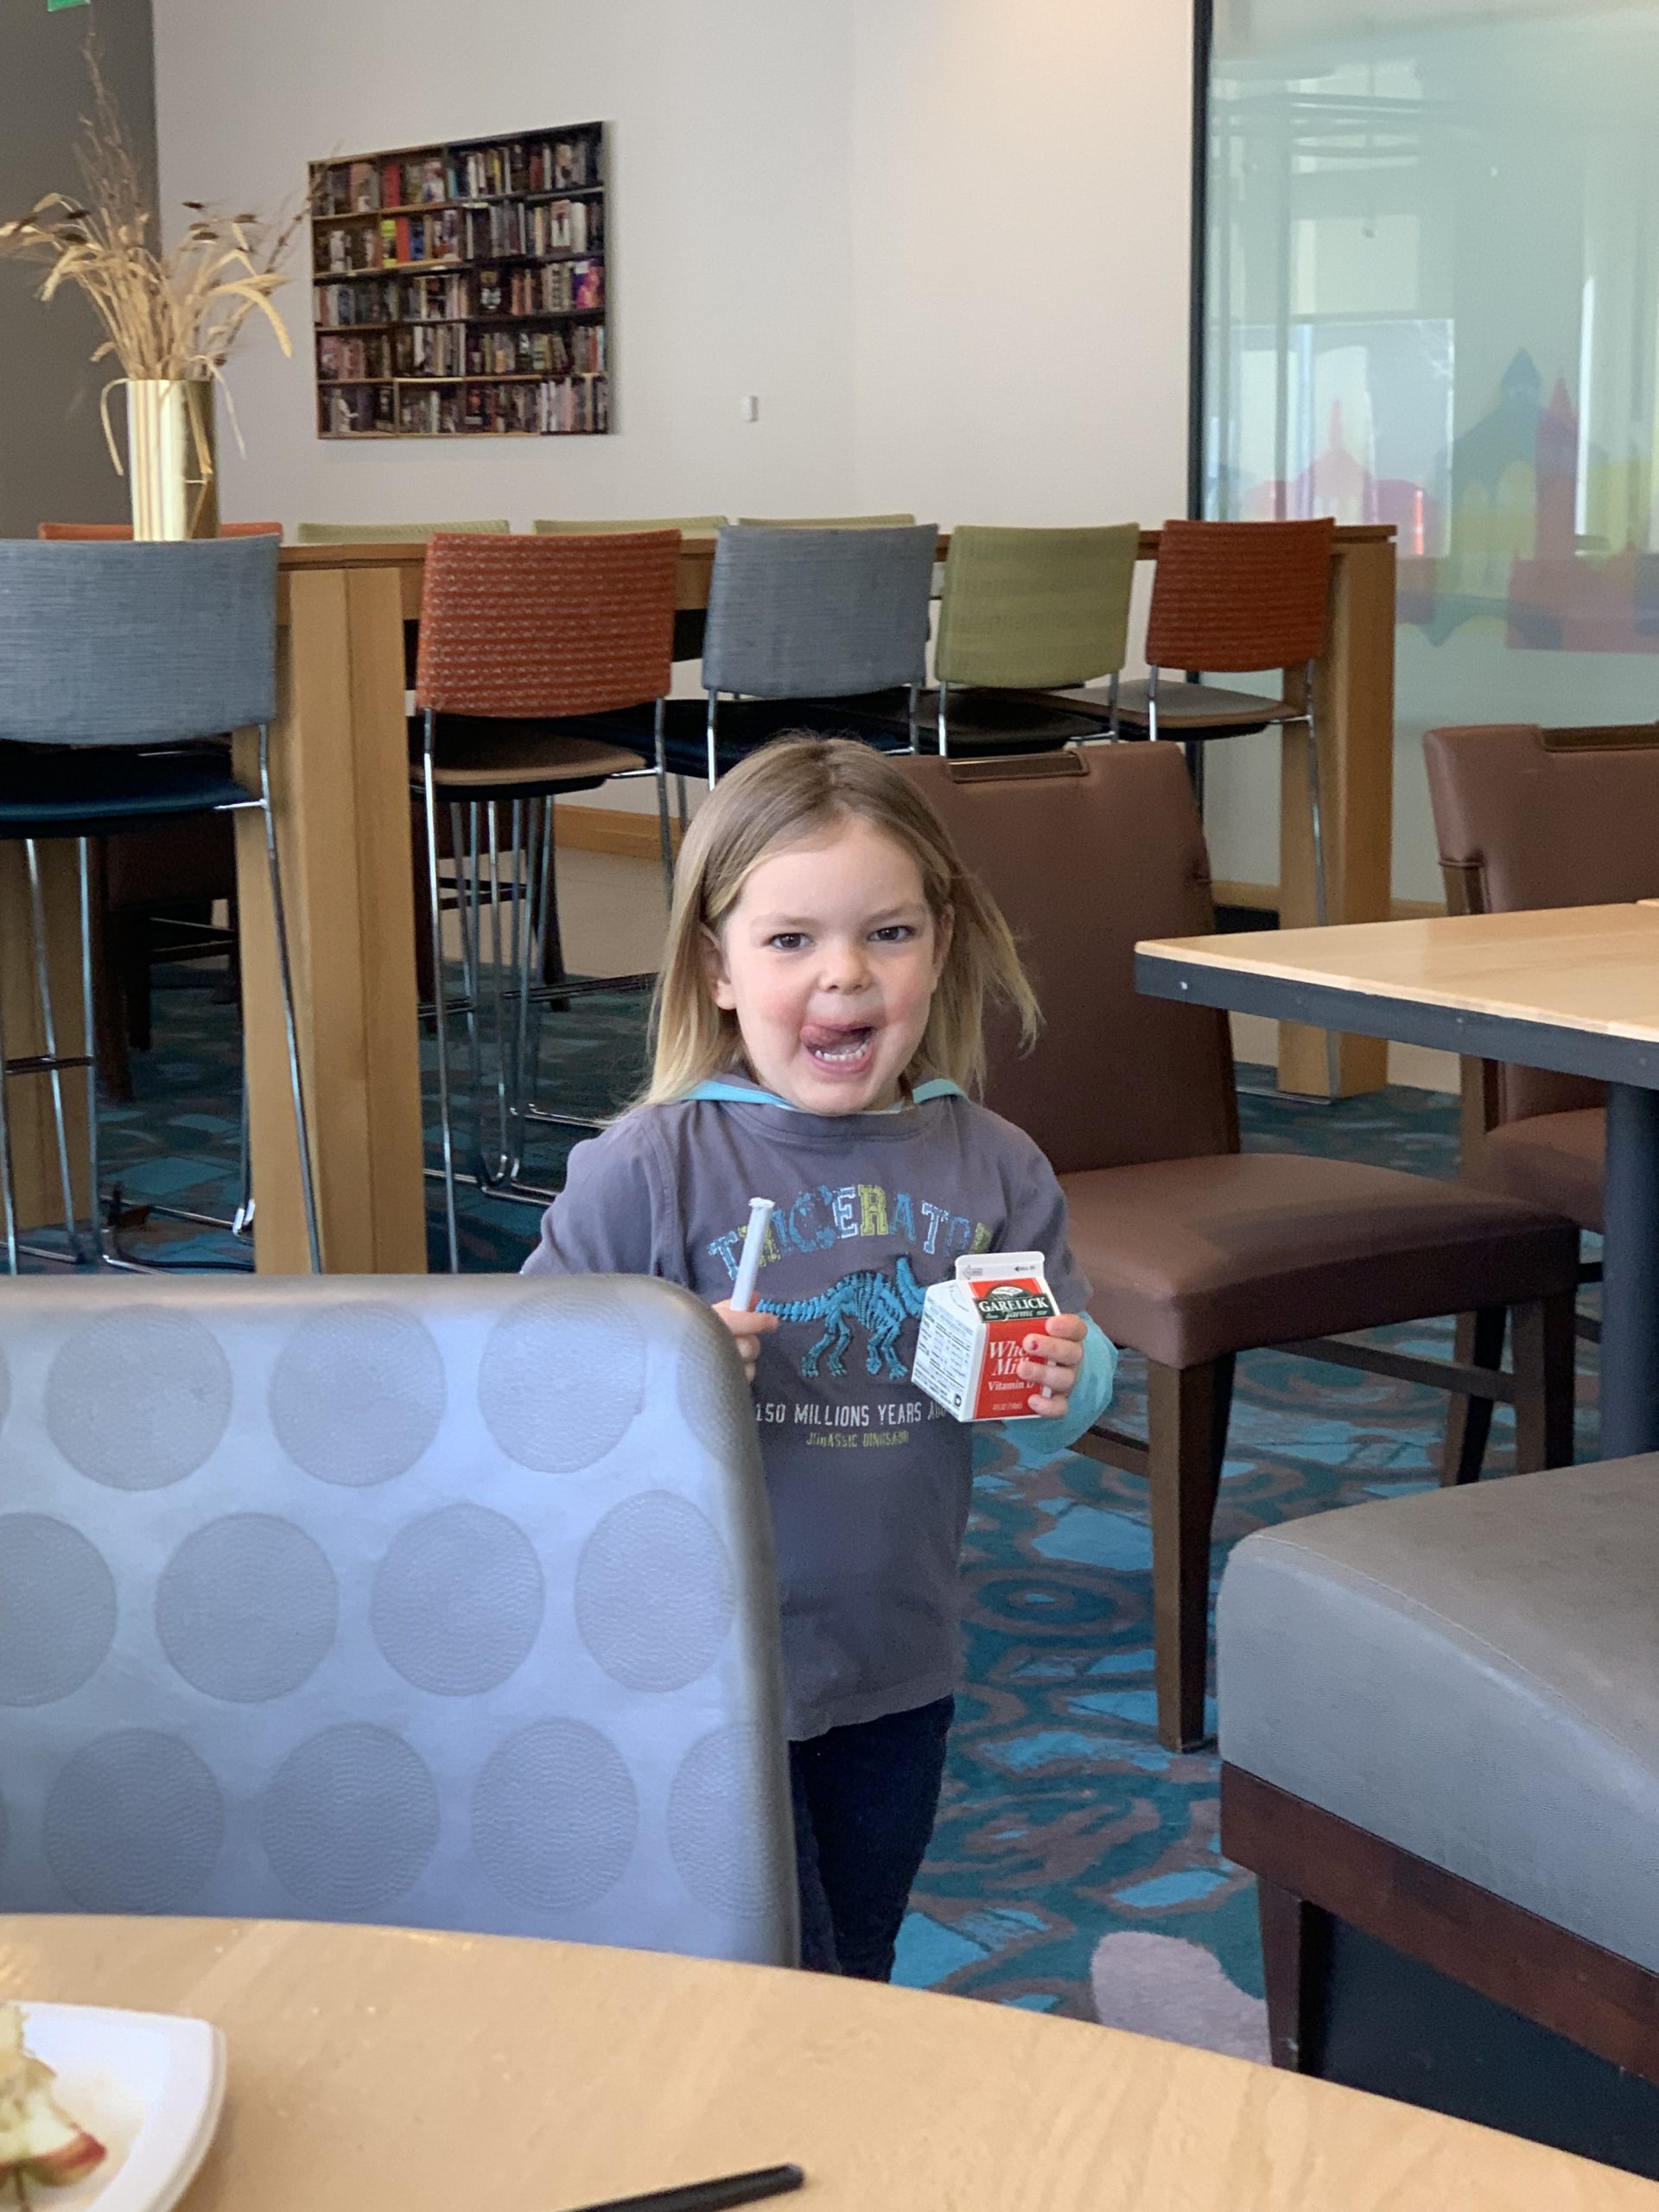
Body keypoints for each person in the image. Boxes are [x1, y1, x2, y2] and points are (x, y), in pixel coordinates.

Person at [524, 736, 1116, 1978]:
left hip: (897, 1658)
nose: (845, 974)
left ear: (939, 947)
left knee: (861, 1957)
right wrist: (663, 1374)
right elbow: (527, 1404)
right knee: (762, 1971)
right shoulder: (647, 1168)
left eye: (887, 933)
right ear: (717, 967)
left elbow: (1054, 1397)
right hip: (693, 1669)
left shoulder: (994, 1165)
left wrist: (1072, 1377)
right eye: (791, 939)